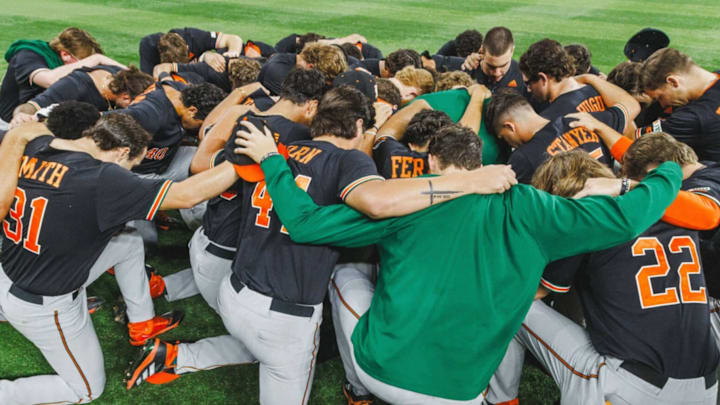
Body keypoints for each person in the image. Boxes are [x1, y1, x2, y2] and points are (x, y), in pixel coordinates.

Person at [211, 115, 683, 404]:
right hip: (462, 390)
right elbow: (627, 219)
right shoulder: (531, 207)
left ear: (432, 164)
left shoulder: (408, 202)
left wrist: (273, 161)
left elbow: (306, 224)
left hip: (384, 372)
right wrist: (664, 170)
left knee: (347, 274)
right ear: (480, 164)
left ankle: (356, 390)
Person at [123, 86, 516, 404]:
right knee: (280, 356)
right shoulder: (351, 164)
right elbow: (378, 202)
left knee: (261, 347)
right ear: (359, 125)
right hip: (284, 313)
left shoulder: (282, 147)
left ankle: (176, 356)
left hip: (234, 289)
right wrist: (467, 182)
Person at [0, 113, 246, 404]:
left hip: (13, 266)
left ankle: (142, 322)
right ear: (121, 152)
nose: (131, 171)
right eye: (132, 164)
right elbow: (187, 195)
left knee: (127, 242)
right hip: (44, 300)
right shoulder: (104, 177)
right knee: (87, 389)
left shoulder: (37, 145)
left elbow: (25, 132)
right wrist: (243, 160)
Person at [487, 145, 718, 405]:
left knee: (514, 306)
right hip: (707, 387)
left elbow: (537, 291)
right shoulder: (670, 206)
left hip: (632, 387)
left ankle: (500, 401)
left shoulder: (586, 215)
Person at [158, 68, 327, 308]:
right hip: (229, 249)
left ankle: (162, 285)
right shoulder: (302, 137)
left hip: (206, 231)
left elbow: (198, 163)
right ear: (311, 105)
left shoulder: (241, 115)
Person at [485, 72, 639, 183]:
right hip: (617, 201)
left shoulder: (523, 158)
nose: (509, 143)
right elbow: (631, 105)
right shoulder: (584, 120)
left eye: (504, 137)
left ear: (510, 126)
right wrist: (589, 78)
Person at [0, 27, 125, 124]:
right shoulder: (28, 55)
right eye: (83, 62)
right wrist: (96, 59)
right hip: (10, 123)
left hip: (41, 119)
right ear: (65, 54)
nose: (86, 68)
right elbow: (50, 80)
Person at [638, 47, 720, 162]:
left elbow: (635, 143)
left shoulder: (692, 117)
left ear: (672, 82)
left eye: (660, 97)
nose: (663, 104)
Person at [11, 65, 153, 126]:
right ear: (126, 97)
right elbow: (29, 107)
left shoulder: (126, 78)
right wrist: (20, 117)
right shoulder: (74, 86)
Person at [519, 38, 606, 119]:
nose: (529, 89)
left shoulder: (552, 120)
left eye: (528, 83)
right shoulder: (601, 93)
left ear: (543, 78)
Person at [138, 27, 244, 74]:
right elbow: (149, 84)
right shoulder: (149, 46)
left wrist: (232, 55)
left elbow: (233, 39)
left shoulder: (193, 37)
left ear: (187, 47)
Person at [461, 27, 525, 93]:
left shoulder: (523, 76)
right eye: (491, 66)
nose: (497, 73)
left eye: (503, 65)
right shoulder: (466, 70)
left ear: (512, 51)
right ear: (482, 50)